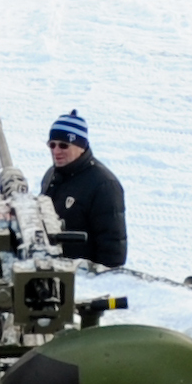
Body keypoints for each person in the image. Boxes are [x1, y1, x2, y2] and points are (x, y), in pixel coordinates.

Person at [38, 111, 127, 268]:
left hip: (82, 279)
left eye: (63, 145)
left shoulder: (104, 185)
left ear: (81, 146)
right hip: (52, 271)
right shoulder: (52, 174)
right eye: (52, 144)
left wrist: (96, 282)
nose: (56, 151)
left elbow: (113, 252)